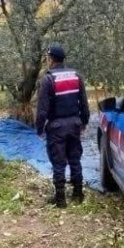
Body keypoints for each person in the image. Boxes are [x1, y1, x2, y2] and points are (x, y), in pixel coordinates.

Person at [35, 44, 90, 208]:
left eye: (47, 58)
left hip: (56, 126)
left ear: (51, 59)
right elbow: (84, 102)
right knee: (75, 158)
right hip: (74, 124)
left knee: (58, 162)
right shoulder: (76, 76)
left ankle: (60, 199)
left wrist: (39, 128)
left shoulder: (48, 79)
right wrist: (84, 121)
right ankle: (78, 194)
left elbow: (42, 109)